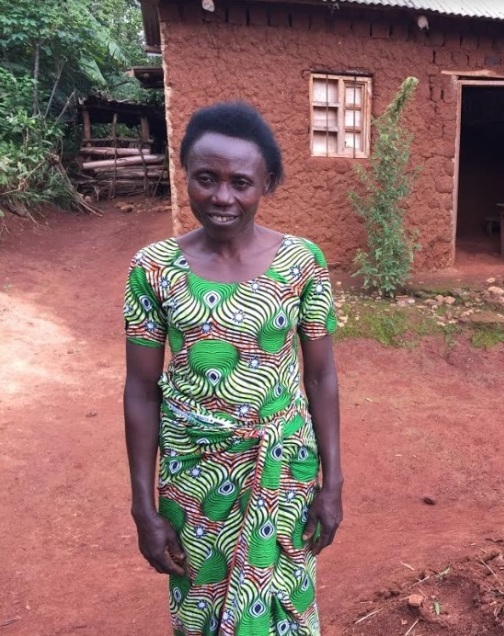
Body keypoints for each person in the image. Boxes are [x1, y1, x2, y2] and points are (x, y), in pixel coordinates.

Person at [123, 101, 342, 636]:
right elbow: (141, 390)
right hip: (195, 476)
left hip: (282, 468)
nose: (222, 197)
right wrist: (142, 508)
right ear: (187, 177)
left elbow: (320, 377)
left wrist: (332, 482)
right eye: (206, 179)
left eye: (240, 182)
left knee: (286, 597)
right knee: (200, 599)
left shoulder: (302, 262)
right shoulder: (152, 269)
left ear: (265, 183)